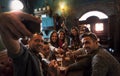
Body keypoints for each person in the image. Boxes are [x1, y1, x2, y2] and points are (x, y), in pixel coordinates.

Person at [0, 11, 56, 76]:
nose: (40, 43)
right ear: (29, 41)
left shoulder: (38, 56)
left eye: (42, 41)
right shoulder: (25, 55)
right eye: (36, 40)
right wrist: (3, 22)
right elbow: (16, 49)